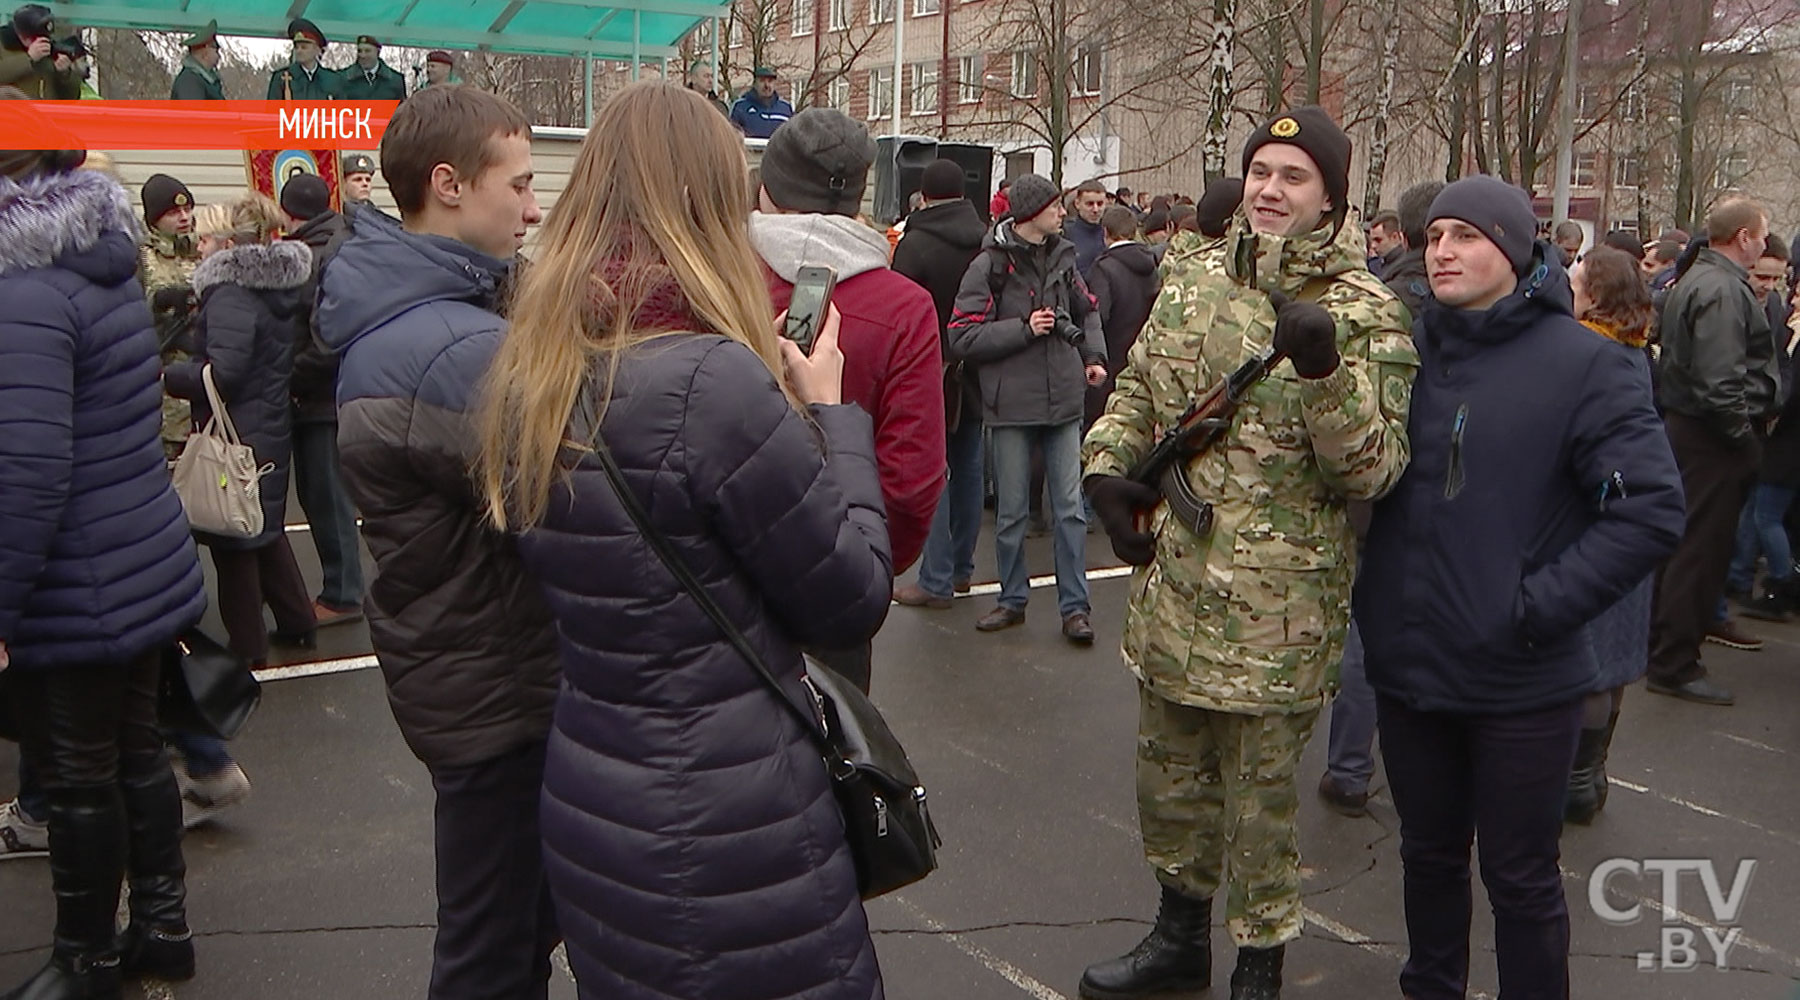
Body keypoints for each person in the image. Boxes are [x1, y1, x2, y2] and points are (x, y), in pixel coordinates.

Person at [470, 82, 890, 1000]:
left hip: (592, 790)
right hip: (734, 817)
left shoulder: (526, 374)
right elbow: (852, 595)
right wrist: (833, 414)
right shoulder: (711, 382)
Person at [1080, 106, 1417, 1000]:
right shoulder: (1190, 282)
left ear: (1333, 199)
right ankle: (1179, 937)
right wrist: (1109, 475)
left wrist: (1325, 376)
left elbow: (1376, 471)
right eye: (1261, 171)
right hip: (1175, 586)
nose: (1270, 189)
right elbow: (1138, 393)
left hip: (1279, 614)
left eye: (1294, 177)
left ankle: (1258, 965)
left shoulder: (1367, 310)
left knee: (1262, 810)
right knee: (1170, 784)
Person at [1356, 176, 1683, 1000]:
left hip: (1522, 679)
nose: (1442, 252)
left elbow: (1649, 509)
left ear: (1512, 246)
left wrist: (1537, 607)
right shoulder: (1404, 353)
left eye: (1464, 236)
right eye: (1433, 237)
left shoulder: (1586, 364)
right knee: (1426, 858)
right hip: (1410, 664)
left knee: (1521, 879)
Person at [315, 84, 562, 1000]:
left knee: (507, 932)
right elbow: (573, 487)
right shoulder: (447, 347)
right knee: (494, 950)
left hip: (476, 677)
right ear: (449, 185)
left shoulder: (433, 314)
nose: (536, 209)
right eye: (523, 185)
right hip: (499, 688)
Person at [0, 126, 207, 997]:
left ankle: (83, 956)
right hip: (136, 550)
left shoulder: (22, 291)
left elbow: (29, 468)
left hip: (74, 572)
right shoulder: (101, 259)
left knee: (79, 769)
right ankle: (162, 927)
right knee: (135, 753)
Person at [750, 107, 945, 690]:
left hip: (713, 587)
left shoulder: (718, 276)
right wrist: (865, 572)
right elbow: (912, 485)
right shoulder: (905, 308)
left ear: (767, 188)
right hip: (836, 588)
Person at [949, 172, 1107, 645]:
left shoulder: (1064, 256)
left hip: (1063, 399)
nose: (1064, 213)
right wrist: (1023, 328)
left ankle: (1075, 609)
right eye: (1056, 206)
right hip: (1011, 403)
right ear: (1031, 213)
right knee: (1013, 512)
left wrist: (1094, 358)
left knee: (1070, 512)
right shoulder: (988, 265)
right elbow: (961, 335)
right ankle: (1012, 599)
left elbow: (1088, 310)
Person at [1646, 197, 1781, 706]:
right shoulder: (1722, 289)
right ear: (1743, 236)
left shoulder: (1702, 279)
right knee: (1698, 550)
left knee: (1685, 544)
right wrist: (1742, 437)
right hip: (1712, 435)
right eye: (1761, 235)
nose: (1765, 245)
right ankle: (1674, 661)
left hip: (1696, 429)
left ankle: (1664, 647)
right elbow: (1720, 379)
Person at [1560, 246, 1667, 826]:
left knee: (1592, 660)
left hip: (1597, 523)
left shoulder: (1587, 351)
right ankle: (1590, 774)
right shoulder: (1634, 347)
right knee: (1616, 657)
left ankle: (1576, 779)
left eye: (1575, 279)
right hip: (1631, 525)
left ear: (1594, 295)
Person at [893, 157, 992, 610]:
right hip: (978, 361)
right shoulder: (986, 240)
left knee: (936, 470)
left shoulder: (915, 244)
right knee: (969, 467)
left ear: (924, 194)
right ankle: (961, 569)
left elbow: (899, 310)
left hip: (930, 365)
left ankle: (933, 579)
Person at [276, 174, 366, 630]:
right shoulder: (348, 240)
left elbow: (324, 336)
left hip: (318, 397)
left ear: (290, 212)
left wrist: (292, 377)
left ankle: (343, 593)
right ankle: (345, 587)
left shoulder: (311, 257)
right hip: (345, 389)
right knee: (337, 496)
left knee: (326, 496)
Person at [1722, 235, 1800, 621]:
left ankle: (1753, 578)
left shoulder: (1775, 311)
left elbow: (1781, 369)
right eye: (1761, 276)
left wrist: (1775, 405)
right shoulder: (1727, 302)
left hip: (1773, 430)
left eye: (1777, 280)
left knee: (1760, 510)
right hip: (1740, 420)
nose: (1768, 287)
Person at [139, 173, 203, 462]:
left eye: (187, 209)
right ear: (154, 219)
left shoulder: (204, 251)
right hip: (164, 400)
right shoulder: (142, 260)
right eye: (173, 212)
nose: (184, 217)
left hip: (204, 393)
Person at [1084, 203, 1159, 424]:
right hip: (1142, 362)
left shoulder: (1103, 269)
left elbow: (1097, 317)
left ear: (1105, 232)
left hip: (1110, 363)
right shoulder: (1152, 266)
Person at [0, 4, 78, 98]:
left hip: (44, 111)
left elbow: (71, 97)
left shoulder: (51, 50)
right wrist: (28, 58)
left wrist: (65, 74)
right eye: (32, 38)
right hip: (11, 110)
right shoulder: (3, 45)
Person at [268, 17, 338, 100]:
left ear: (317, 50)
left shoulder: (332, 80)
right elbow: (271, 111)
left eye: (304, 47)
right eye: (296, 47)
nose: (299, 51)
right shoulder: (282, 79)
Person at [729, 65, 793, 138]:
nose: (766, 85)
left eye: (770, 81)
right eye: (762, 81)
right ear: (755, 83)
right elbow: (731, 137)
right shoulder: (740, 107)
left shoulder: (785, 108)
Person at [169, 19, 225, 99]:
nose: (218, 56)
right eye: (215, 50)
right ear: (205, 53)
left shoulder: (199, 79)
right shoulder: (189, 81)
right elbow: (192, 111)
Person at [338, 34, 406, 100]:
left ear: (378, 52)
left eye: (367, 51)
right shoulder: (343, 78)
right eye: (359, 51)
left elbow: (403, 110)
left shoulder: (396, 80)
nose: (362, 55)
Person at [1065, 179, 1109, 276]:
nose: (1095, 209)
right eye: (1090, 204)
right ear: (1077, 204)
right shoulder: (1066, 234)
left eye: (1100, 204)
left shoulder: (1112, 232)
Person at [1366, 209, 1402, 278]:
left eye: (1378, 240)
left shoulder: (1403, 268)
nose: (1373, 246)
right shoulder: (1378, 264)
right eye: (1372, 240)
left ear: (1395, 237)